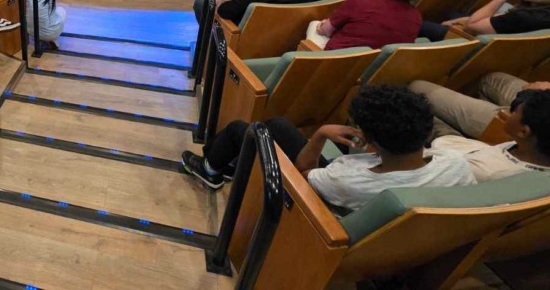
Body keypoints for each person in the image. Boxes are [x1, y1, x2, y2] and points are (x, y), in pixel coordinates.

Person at [182, 86, 475, 211]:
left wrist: (321, 135)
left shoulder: (344, 177)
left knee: (240, 130)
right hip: (380, 188)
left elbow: (303, 172)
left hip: (315, 202)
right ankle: (237, 163)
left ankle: (210, 169)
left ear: (371, 141)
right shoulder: (454, 163)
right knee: (279, 125)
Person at [410, 75, 550, 182]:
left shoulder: (481, 171)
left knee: (414, 103)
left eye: (515, 112)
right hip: (470, 147)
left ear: (523, 131)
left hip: (445, 150)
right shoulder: (534, 151)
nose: (509, 112)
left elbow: (422, 165)